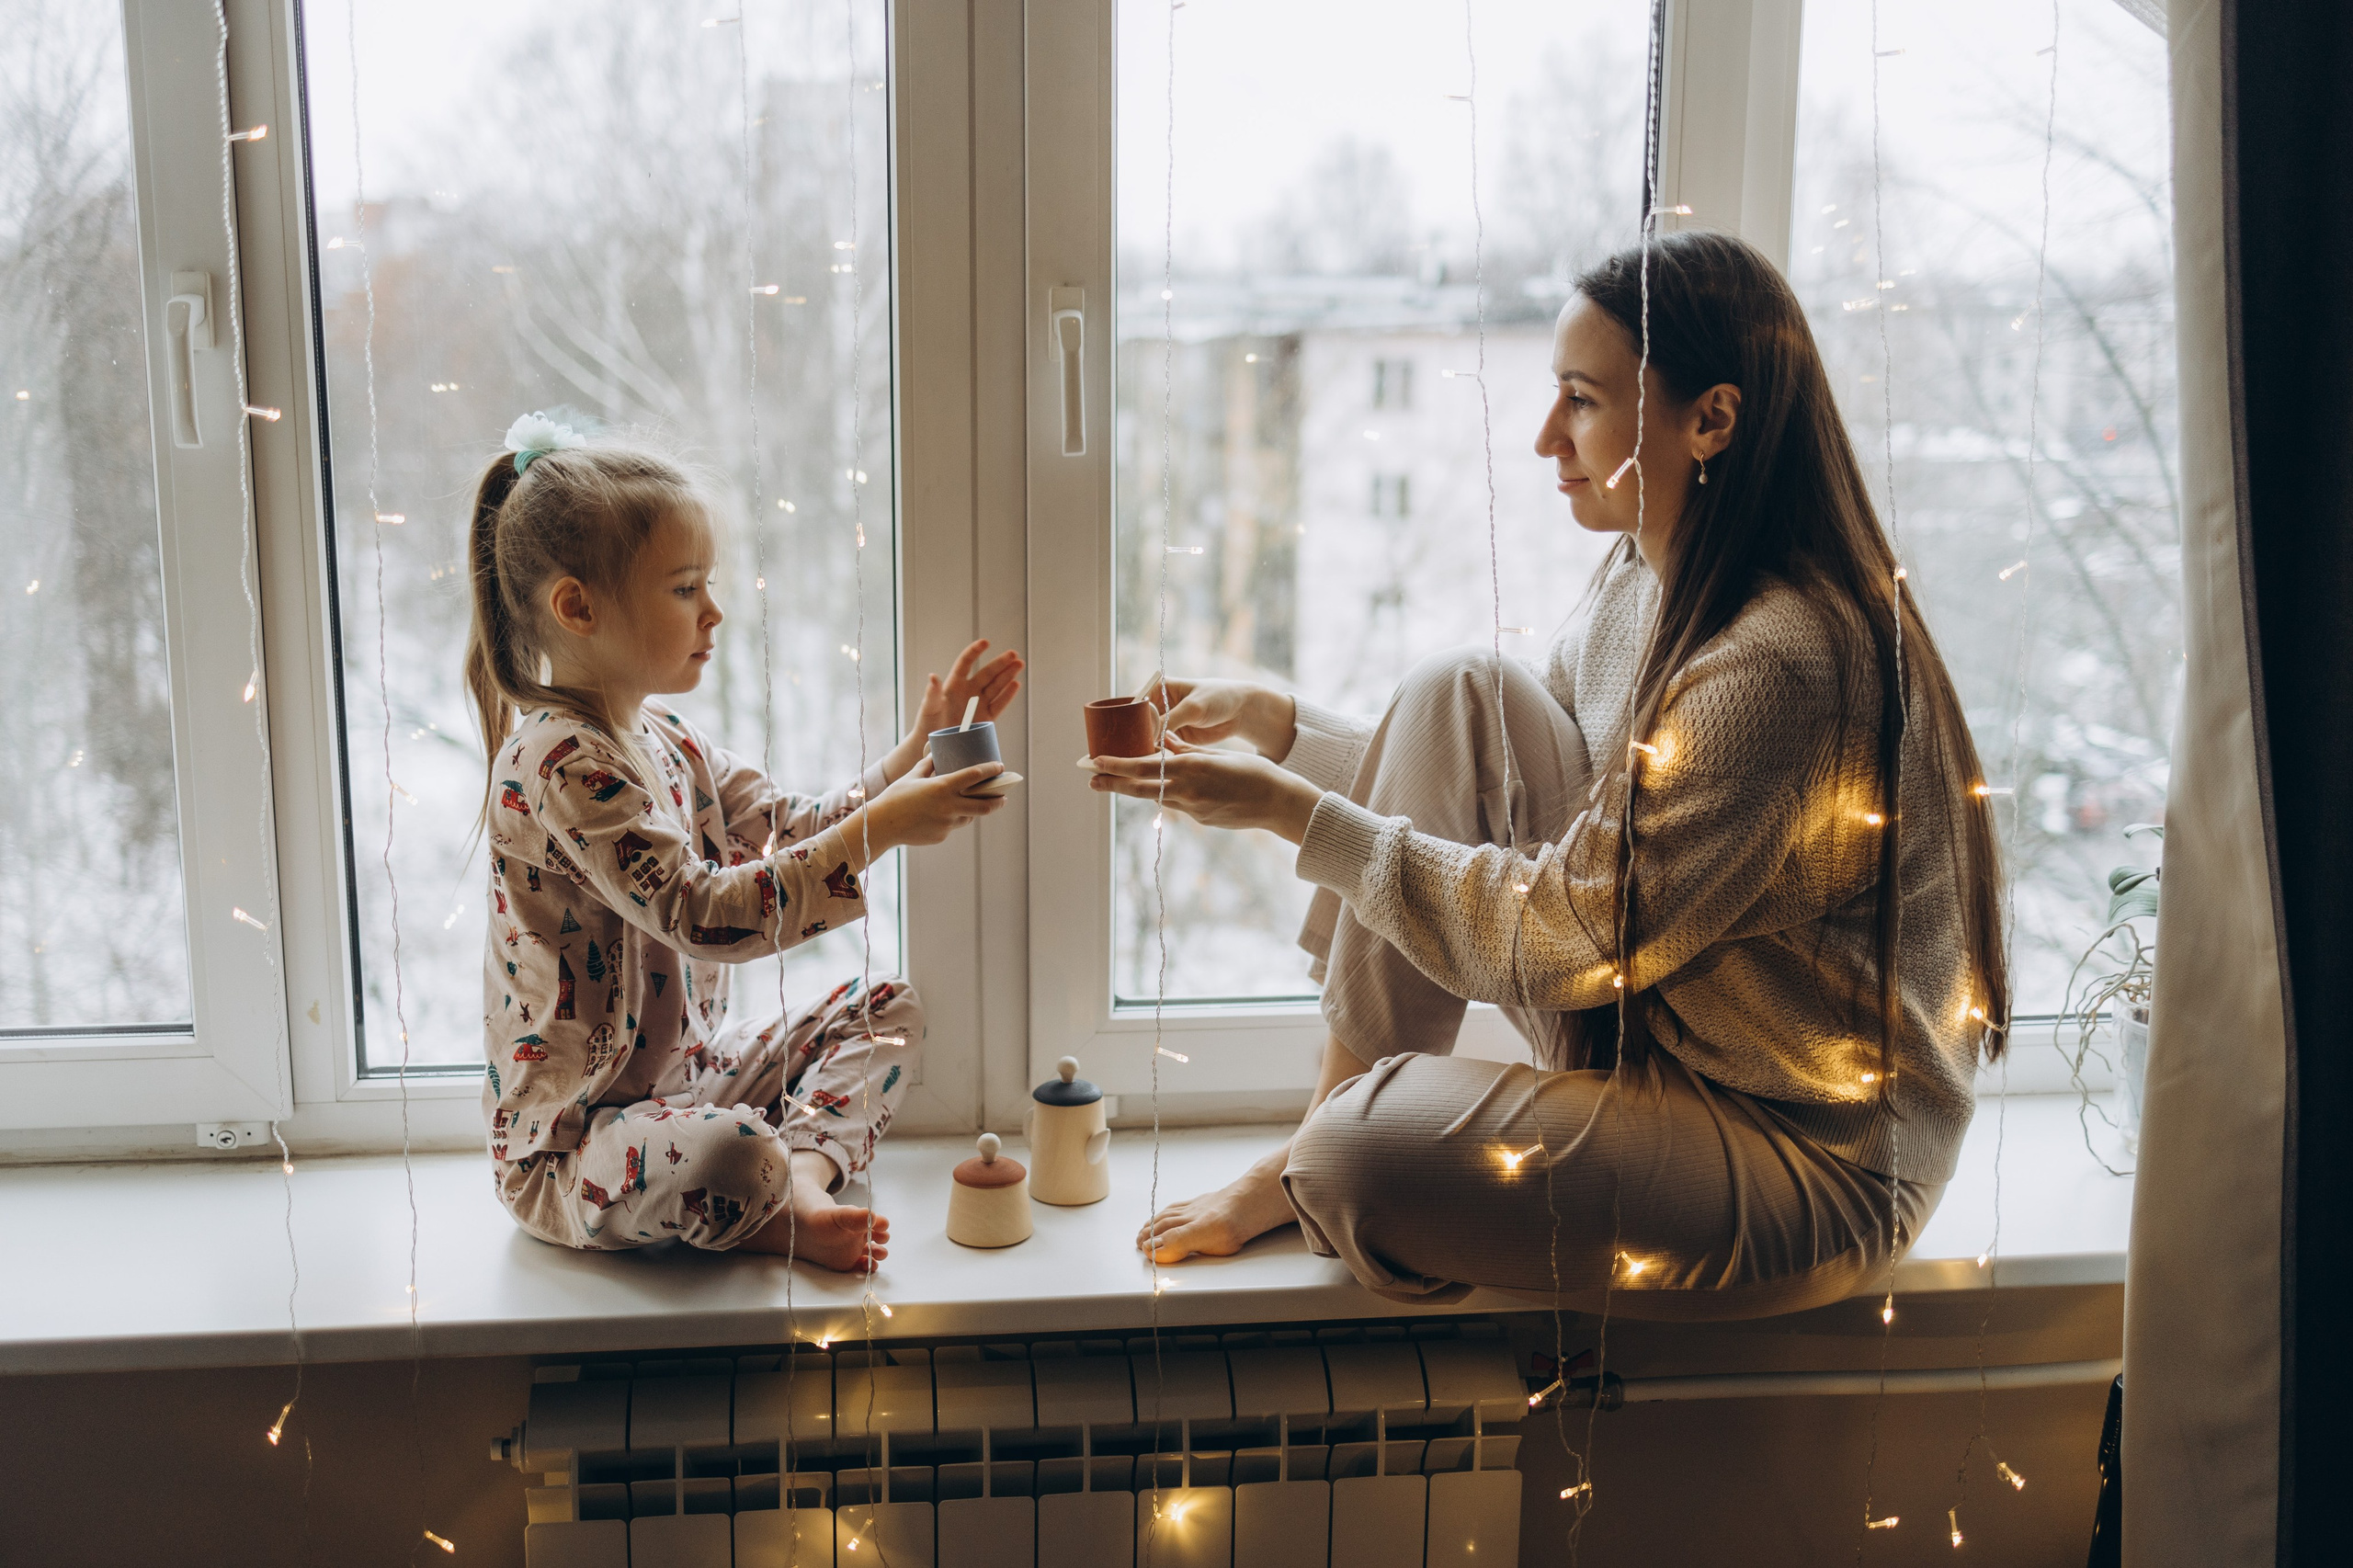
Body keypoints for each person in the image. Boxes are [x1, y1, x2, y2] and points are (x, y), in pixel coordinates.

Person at [1090, 231, 2009, 1317]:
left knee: (1357, 1158)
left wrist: (1296, 818)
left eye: (1579, 399)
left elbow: (1563, 928)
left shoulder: (1781, 665)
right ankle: (1304, 1152)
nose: (1543, 438)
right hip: (1651, 1033)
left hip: (1802, 1151)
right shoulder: (1644, 572)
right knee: (1459, 689)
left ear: (1709, 417)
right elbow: (1495, 780)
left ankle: (1316, 1156)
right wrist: (1279, 730)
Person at [464, 414, 1021, 1270]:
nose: (714, 611)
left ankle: (795, 1180)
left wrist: (915, 755)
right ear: (578, 606)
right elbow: (703, 914)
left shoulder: (666, 740)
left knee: (888, 1008)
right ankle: (765, 1187)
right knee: (731, 1154)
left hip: (688, 1082)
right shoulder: (559, 761)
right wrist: (888, 825)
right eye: (685, 588)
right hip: (577, 1151)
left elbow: (795, 827)